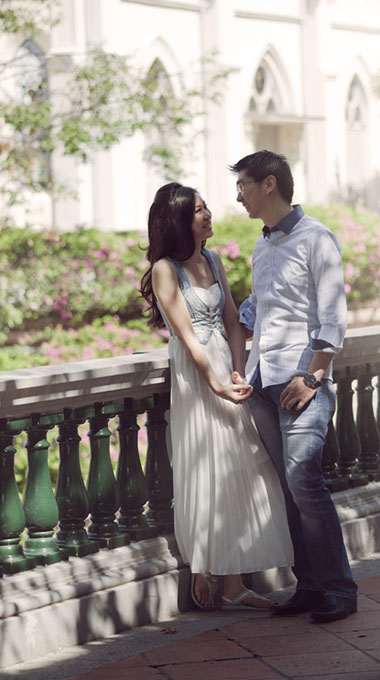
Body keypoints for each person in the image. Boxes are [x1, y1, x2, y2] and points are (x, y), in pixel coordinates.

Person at [140, 182, 293, 611]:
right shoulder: (165, 270)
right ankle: (205, 567)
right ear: (179, 220)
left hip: (225, 366)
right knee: (206, 465)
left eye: (206, 207)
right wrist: (215, 384)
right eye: (198, 210)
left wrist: (238, 372)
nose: (208, 215)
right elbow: (187, 337)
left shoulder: (213, 259)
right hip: (197, 377)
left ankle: (232, 584)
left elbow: (231, 321)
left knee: (240, 467)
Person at [230, 150, 358, 623]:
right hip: (263, 382)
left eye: (243, 185)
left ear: (269, 184)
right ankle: (310, 585)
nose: (238, 197)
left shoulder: (316, 238)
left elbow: (333, 316)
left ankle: (340, 589)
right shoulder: (262, 246)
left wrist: (313, 376)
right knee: (288, 487)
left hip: (302, 383)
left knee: (305, 481)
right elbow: (261, 310)